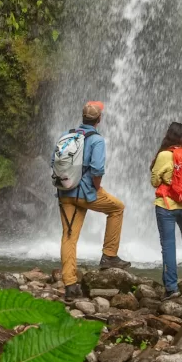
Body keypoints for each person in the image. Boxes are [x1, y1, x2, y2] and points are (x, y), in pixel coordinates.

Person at [58, 101, 131, 300]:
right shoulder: (96, 140)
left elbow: (54, 161)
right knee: (117, 208)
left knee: (69, 236)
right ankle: (109, 255)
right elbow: (97, 169)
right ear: (99, 119)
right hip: (87, 193)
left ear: (83, 118)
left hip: (65, 193)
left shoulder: (67, 134)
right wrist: (96, 188)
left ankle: (70, 286)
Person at [150, 121, 182, 299]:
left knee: (168, 244)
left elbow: (155, 181)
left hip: (166, 205)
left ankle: (172, 287)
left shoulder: (165, 155)